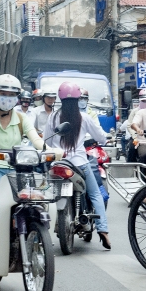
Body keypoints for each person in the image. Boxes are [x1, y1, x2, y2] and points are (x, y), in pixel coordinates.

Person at [0, 74, 49, 260]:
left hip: (17, 167)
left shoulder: (22, 118)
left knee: (38, 195)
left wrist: (49, 149)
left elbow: (36, 139)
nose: (7, 98)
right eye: (3, 93)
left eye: (12, 94)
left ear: (17, 98)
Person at [44, 82, 111, 249]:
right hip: (80, 164)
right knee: (96, 194)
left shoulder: (53, 117)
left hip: (58, 164)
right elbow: (101, 137)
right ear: (77, 99)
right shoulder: (85, 118)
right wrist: (106, 138)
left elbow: (47, 141)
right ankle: (103, 231)